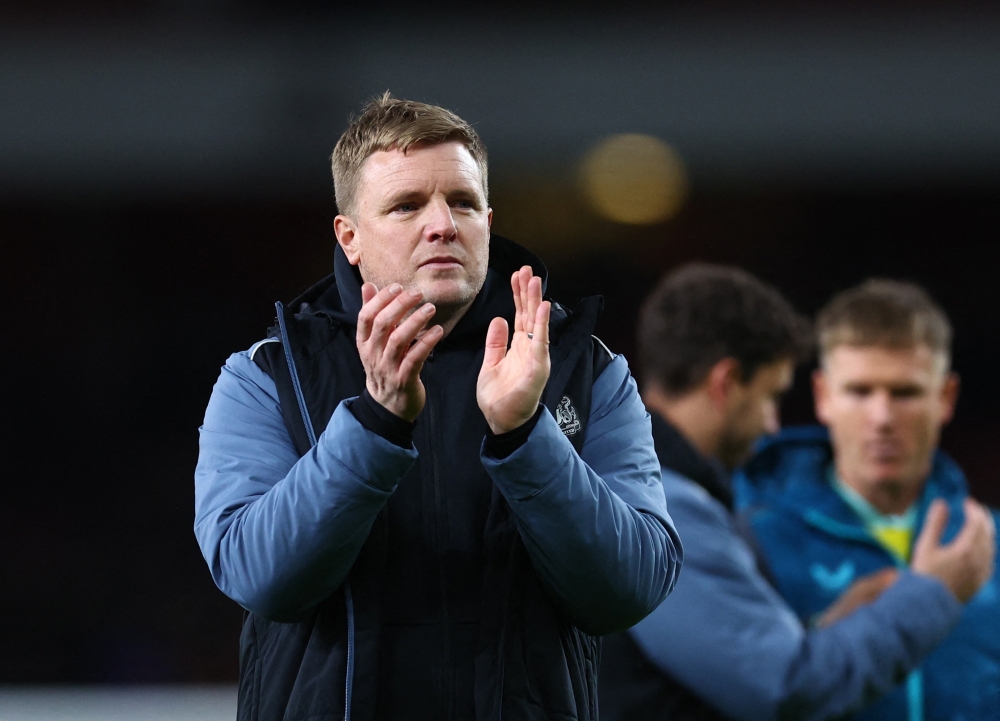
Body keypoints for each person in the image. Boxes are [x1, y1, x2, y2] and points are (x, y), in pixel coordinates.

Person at [193, 93, 682, 721]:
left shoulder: (586, 368)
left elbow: (631, 590)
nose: (443, 224)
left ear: (487, 217)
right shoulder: (268, 374)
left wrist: (524, 436)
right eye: (406, 205)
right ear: (350, 238)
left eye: (463, 202)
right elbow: (257, 575)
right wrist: (374, 423)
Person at [599, 265, 994, 721]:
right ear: (726, 384)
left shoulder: (658, 499)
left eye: (905, 392)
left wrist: (818, 631)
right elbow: (786, 688)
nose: (773, 424)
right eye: (771, 396)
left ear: (944, 397)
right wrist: (933, 596)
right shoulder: (671, 514)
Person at [736, 279, 999, 721]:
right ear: (823, 397)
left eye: (905, 393)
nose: (881, 418)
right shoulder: (754, 542)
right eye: (860, 391)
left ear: (945, 398)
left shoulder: (989, 542)